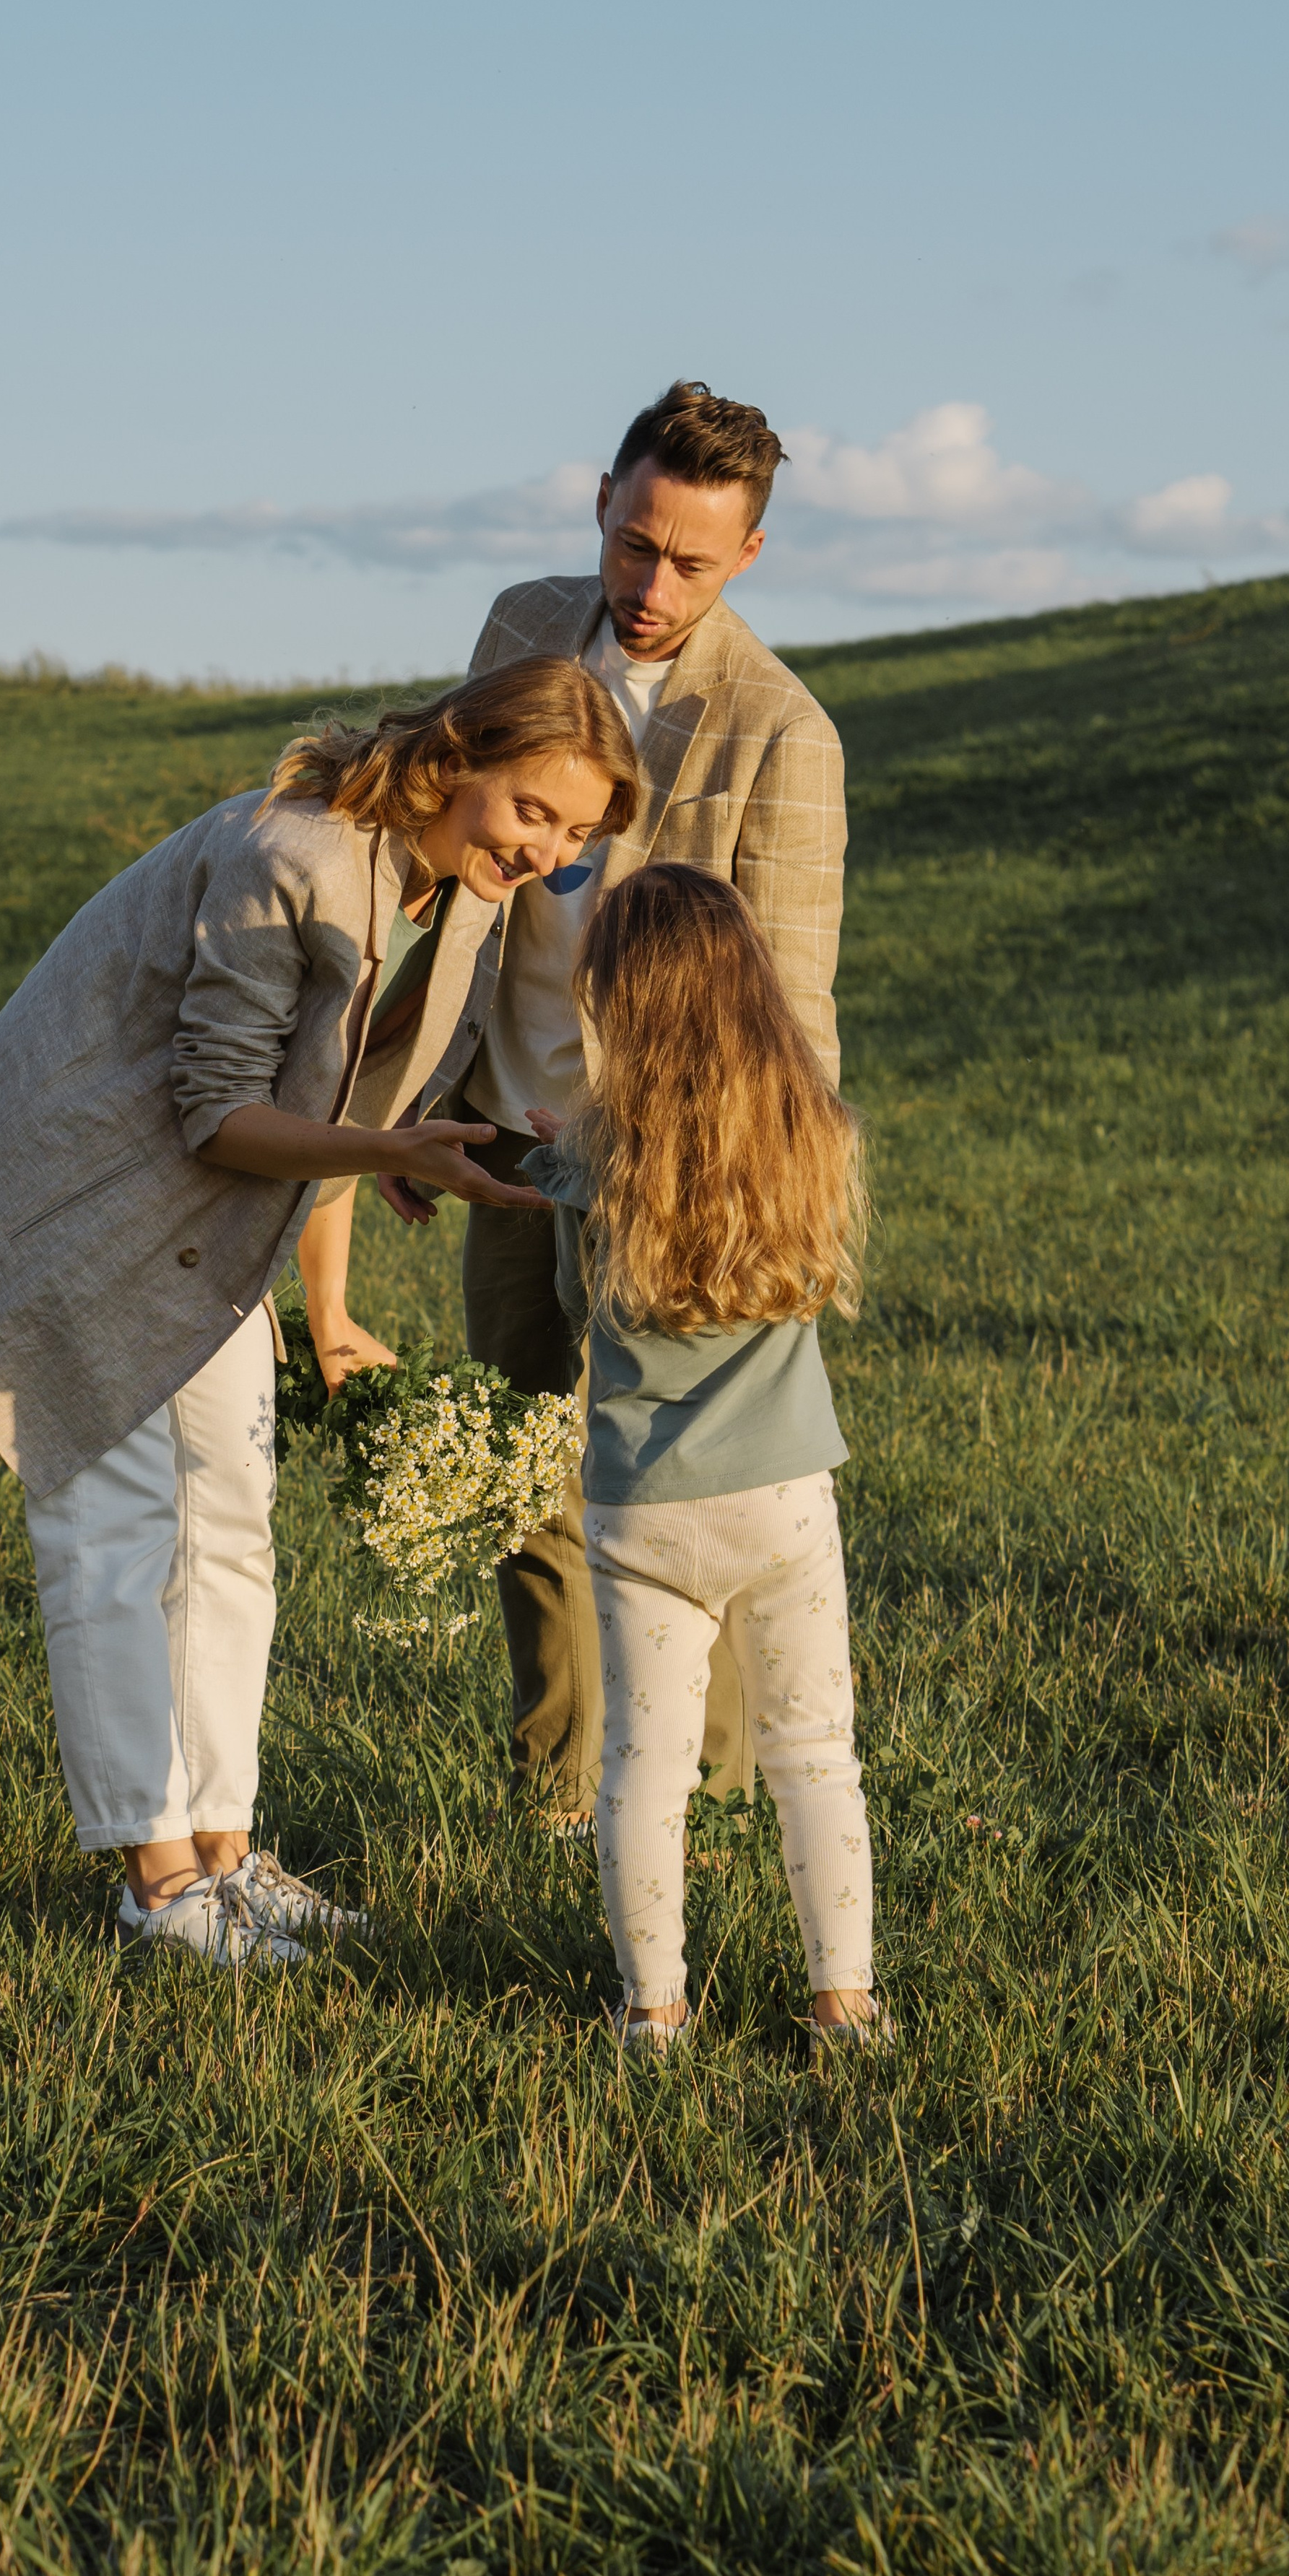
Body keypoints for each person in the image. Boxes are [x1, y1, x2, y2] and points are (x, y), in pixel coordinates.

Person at [0, 660, 638, 1966]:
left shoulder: (455, 894)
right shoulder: (285, 853)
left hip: (213, 1217)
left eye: (576, 834)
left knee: (233, 1521)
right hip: (82, 1195)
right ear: (458, 756)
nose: (547, 850)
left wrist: (334, 1306)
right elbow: (224, 1113)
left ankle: (228, 1860)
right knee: (117, 1530)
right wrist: (403, 1160)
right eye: (534, 809)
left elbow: (341, 1104)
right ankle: (156, 1885)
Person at [449, 380, 849, 1827]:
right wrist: (404, 1105)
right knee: (517, 1472)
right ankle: (558, 1797)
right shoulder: (512, 631)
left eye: (688, 559)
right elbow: (450, 873)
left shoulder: (779, 735)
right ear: (600, 505)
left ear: (746, 555)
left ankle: (709, 1801)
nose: (649, 584)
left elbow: (789, 1017)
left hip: (662, 1184)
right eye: (633, 543)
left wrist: (760, 1214)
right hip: (497, 1128)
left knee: (683, 1506)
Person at [521, 863, 885, 2054]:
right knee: (814, 1755)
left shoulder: (594, 1153)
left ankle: (652, 2014)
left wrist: (559, 1168)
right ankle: (843, 2003)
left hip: (639, 1513)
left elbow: (579, 1303)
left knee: (641, 1773)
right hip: (782, 1501)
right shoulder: (809, 1127)